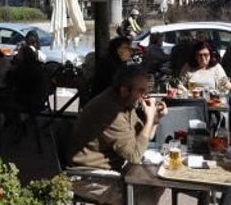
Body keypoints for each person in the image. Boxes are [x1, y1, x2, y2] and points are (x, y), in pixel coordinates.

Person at [69, 65, 168, 205]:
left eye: (146, 90)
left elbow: (141, 141)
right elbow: (134, 155)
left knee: (159, 183)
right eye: (141, 91)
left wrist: (155, 120)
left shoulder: (124, 102)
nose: (144, 96)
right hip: (89, 177)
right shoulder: (110, 111)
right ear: (124, 90)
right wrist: (150, 119)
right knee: (146, 198)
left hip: (111, 170)